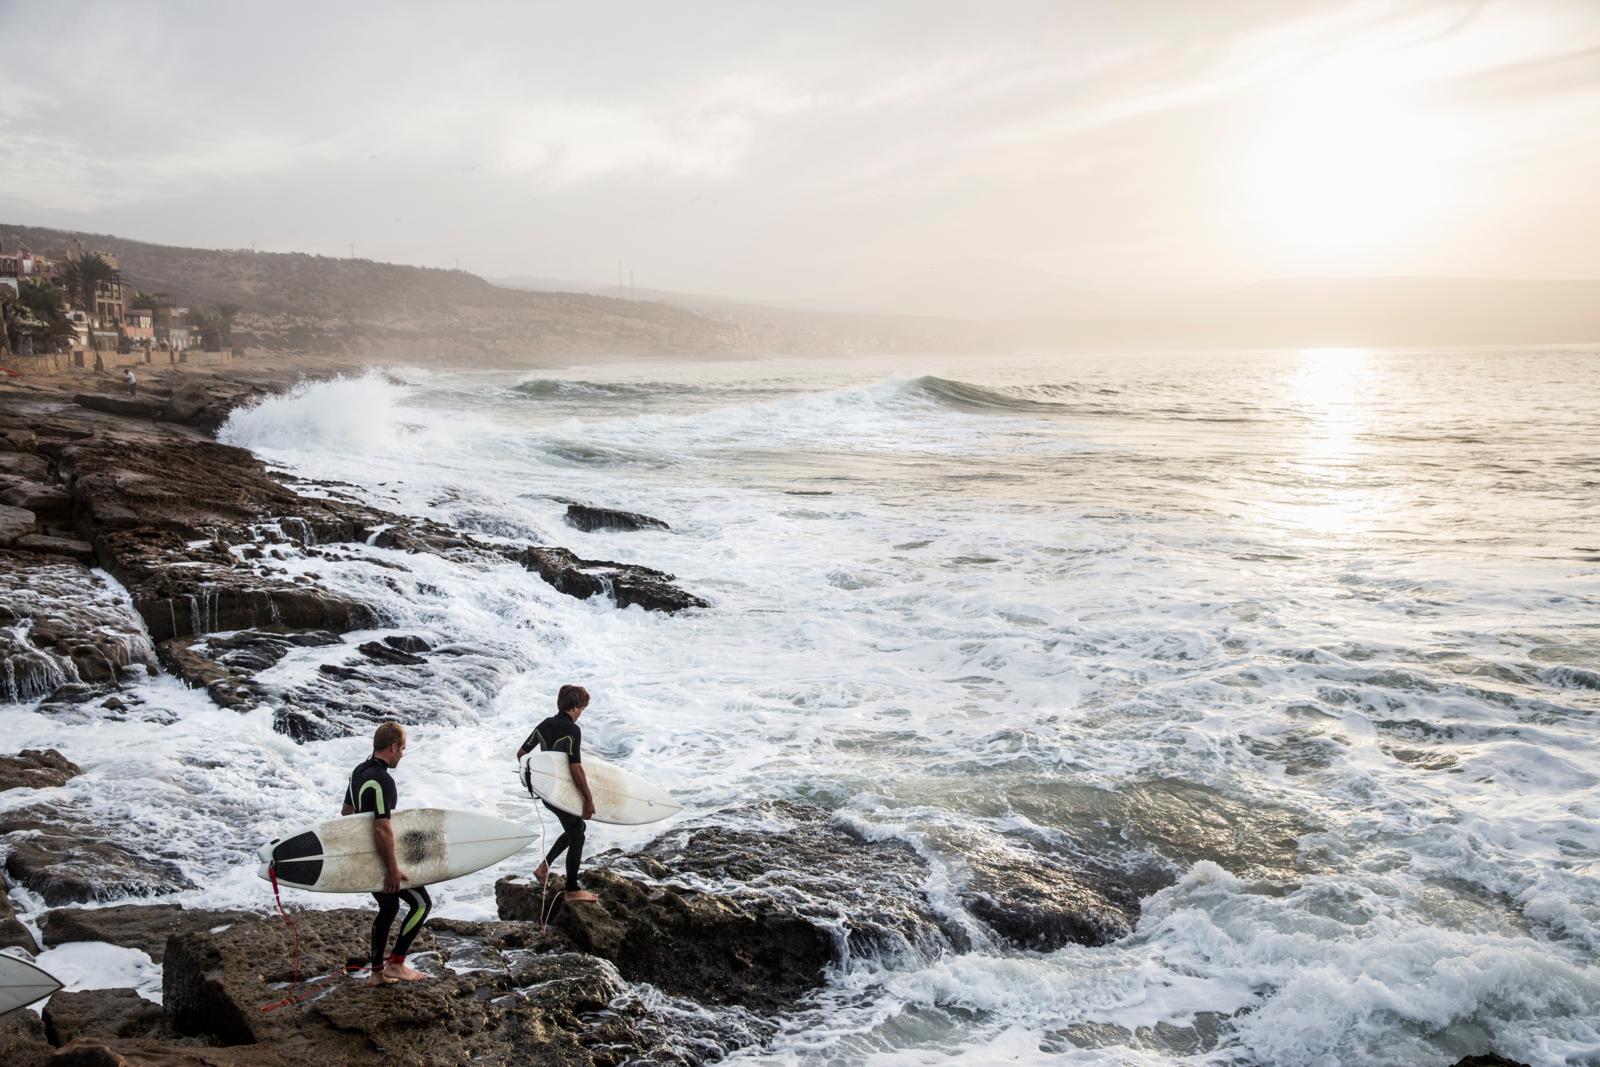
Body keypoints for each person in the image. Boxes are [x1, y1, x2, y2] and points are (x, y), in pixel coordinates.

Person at [341, 722, 430, 985]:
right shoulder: (383, 781)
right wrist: (391, 869)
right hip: (380, 860)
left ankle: (377, 973)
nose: (402, 754)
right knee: (421, 903)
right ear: (392, 747)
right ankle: (397, 964)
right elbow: (382, 828)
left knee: (389, 907)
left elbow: (346, 813)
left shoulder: (358, 772)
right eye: (402, 748)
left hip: (366, 858)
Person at [516, 685, 599, 903]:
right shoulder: (572, 730)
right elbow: (575, 767)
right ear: (574, 707)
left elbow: (522, 754)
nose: (581, 713)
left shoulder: (545, 724)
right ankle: (572, 890)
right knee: (578, 835)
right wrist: (588, 800)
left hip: (547, 792)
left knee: (576, 828)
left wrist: (531, 780)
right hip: (562, 792)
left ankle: (543, 868)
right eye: (581, 709)